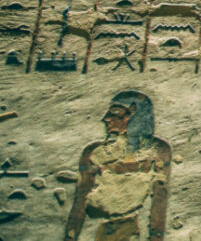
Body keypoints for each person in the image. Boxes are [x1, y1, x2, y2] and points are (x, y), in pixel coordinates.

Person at [64, 90, 171, 240]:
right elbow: (81, 200)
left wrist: (156, 237)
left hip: (129, 228)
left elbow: (159, 201)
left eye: (114, 114)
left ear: (135, 116)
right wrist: (71, 236)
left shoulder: (158, 150)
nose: (106, 119)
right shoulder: (94, 152)